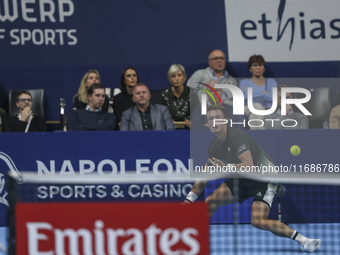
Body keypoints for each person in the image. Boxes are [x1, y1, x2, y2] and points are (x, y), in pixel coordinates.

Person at [185, 105, 321, 253]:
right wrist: (188, 200)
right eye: (210, 119)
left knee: (258, 221)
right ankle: (194, 240)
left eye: (218, 118)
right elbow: (204, 177)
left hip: (264, 177)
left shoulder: (238, 137)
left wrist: (226, 166)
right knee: (211, 201)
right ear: (207, 123)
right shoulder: (214, 148)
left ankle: (305, 241)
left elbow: (249, 166)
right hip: (244, 177)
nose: (214, 122)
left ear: (227, 120)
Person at [239, 55, 278, 130]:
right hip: (248, 108)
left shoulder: (271, 82)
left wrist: (252, 93)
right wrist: (264, 93)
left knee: (254, 115)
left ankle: (255, 137)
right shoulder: (244, 82)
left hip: (267, 109)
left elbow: (273, 97)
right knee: (257, 105)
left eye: (260, 65)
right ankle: (262, 134)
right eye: (255, 65)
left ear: (264, 68)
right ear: (250, 69)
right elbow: (244, 96)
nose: (258, 68)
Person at [161, 64, 194, 129]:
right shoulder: (164, 95)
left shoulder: (193, 93)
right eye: (173, 76)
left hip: (190, 130)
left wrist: (193, 122)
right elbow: (162, 117)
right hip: (171, 130)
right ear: (169, 79)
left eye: (179, 75)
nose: (177, 78)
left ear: (184, 78)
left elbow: (199, 115)